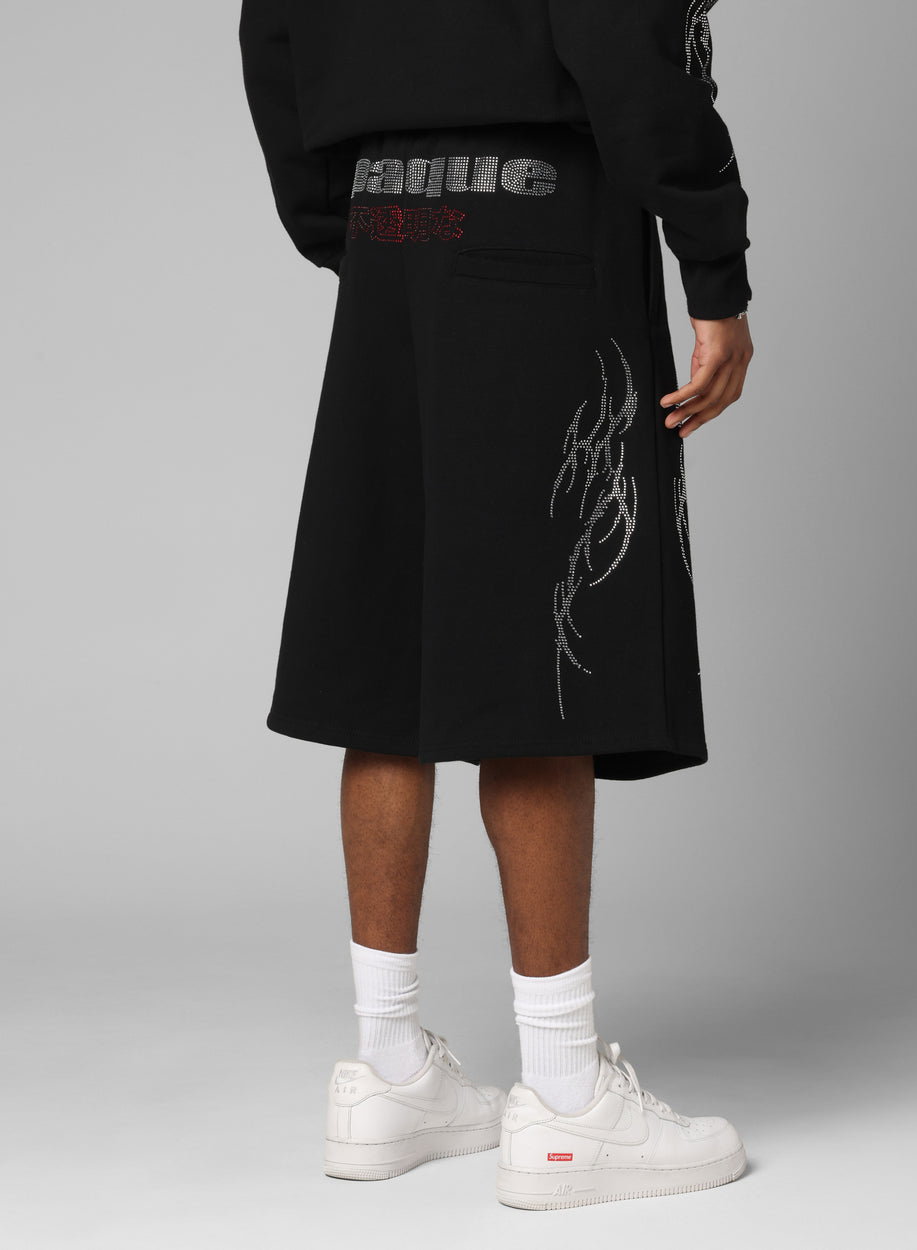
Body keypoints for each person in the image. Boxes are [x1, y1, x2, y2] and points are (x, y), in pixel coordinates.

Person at [238, 0, 754, 1210]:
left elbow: (272, 36)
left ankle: (387, 1071)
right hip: (542, 221)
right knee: (539, 655)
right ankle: (567, 1099)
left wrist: (355, 227)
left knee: (392, 650)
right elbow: (626, 36)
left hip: (388, 228)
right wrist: (715, 268)